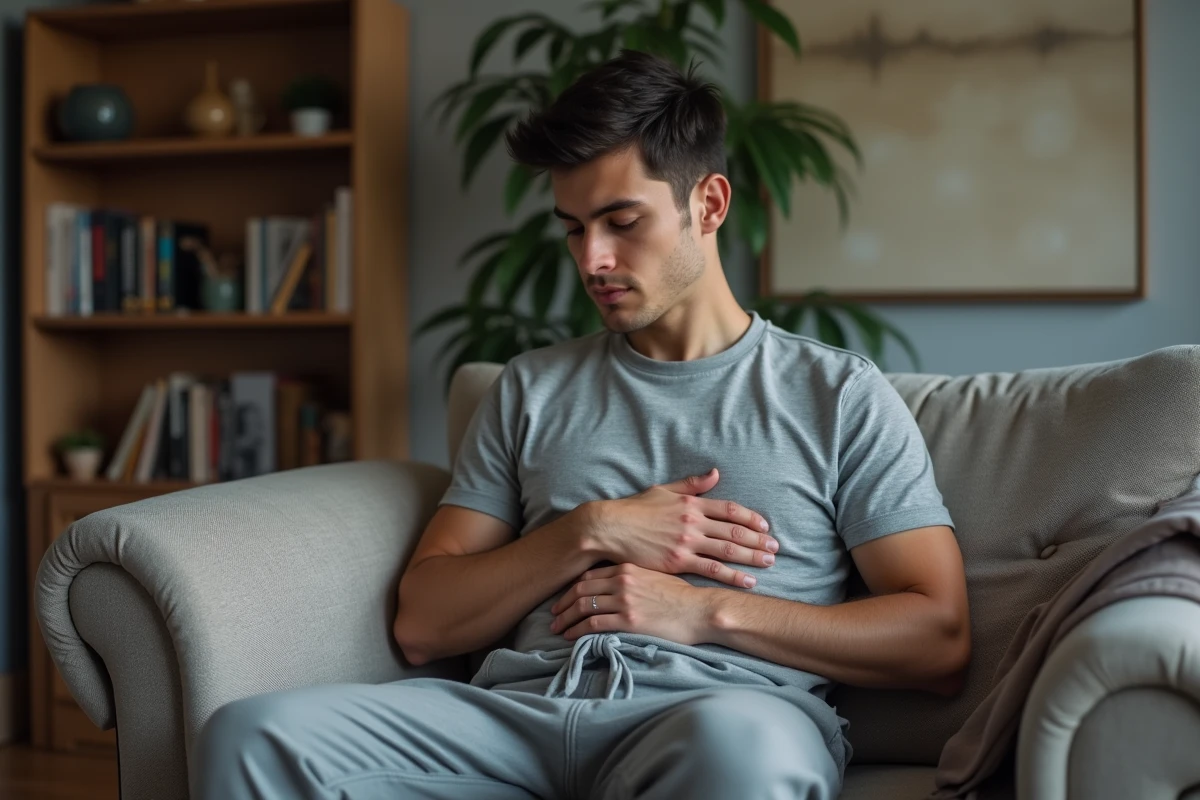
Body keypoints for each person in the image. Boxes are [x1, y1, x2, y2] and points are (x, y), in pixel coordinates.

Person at [194, 50, 970, 800]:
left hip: (712, 720)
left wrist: (702, 611)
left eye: (621, 221)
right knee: (251, 734)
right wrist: (591, 530)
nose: (592, 258)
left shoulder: (838, 395)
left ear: (708, 204)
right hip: (518, 719)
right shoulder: (530, 387)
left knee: (746, 751)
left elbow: (938, 638)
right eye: (572, 228)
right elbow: (425, 624)